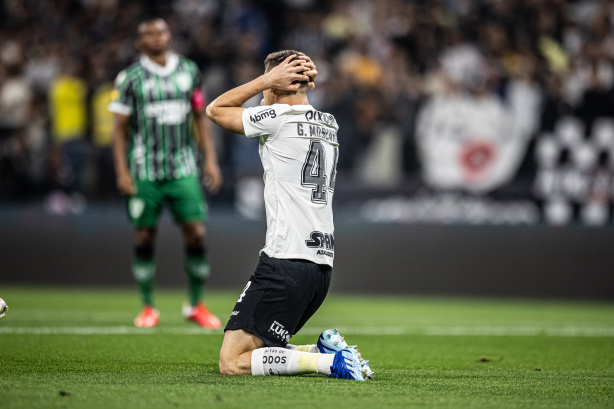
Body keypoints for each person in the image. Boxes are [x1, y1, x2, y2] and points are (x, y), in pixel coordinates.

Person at [206, 50, 373, 380]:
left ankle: (331, 364)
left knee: (233, 361)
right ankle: (324, 351)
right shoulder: (330, 124)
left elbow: (215, 110)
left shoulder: (277, 118)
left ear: (278, 82)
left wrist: (266, 79)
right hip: (321, 268)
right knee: (258, 349)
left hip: (286, 261)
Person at [109, 18, 222, 328]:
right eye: (149, 34)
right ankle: (148, 306)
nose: (157, 38)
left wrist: (210, 160)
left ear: (169, 36)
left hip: (183, 167)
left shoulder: (189, 71)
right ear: (139, 42)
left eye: (161, 32)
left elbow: (200, 117)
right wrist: (121, 170)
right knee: (145, 234)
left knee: (197, 232)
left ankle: (196, 304)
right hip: (145, 170)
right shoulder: (129, 79)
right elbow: (118, 130)